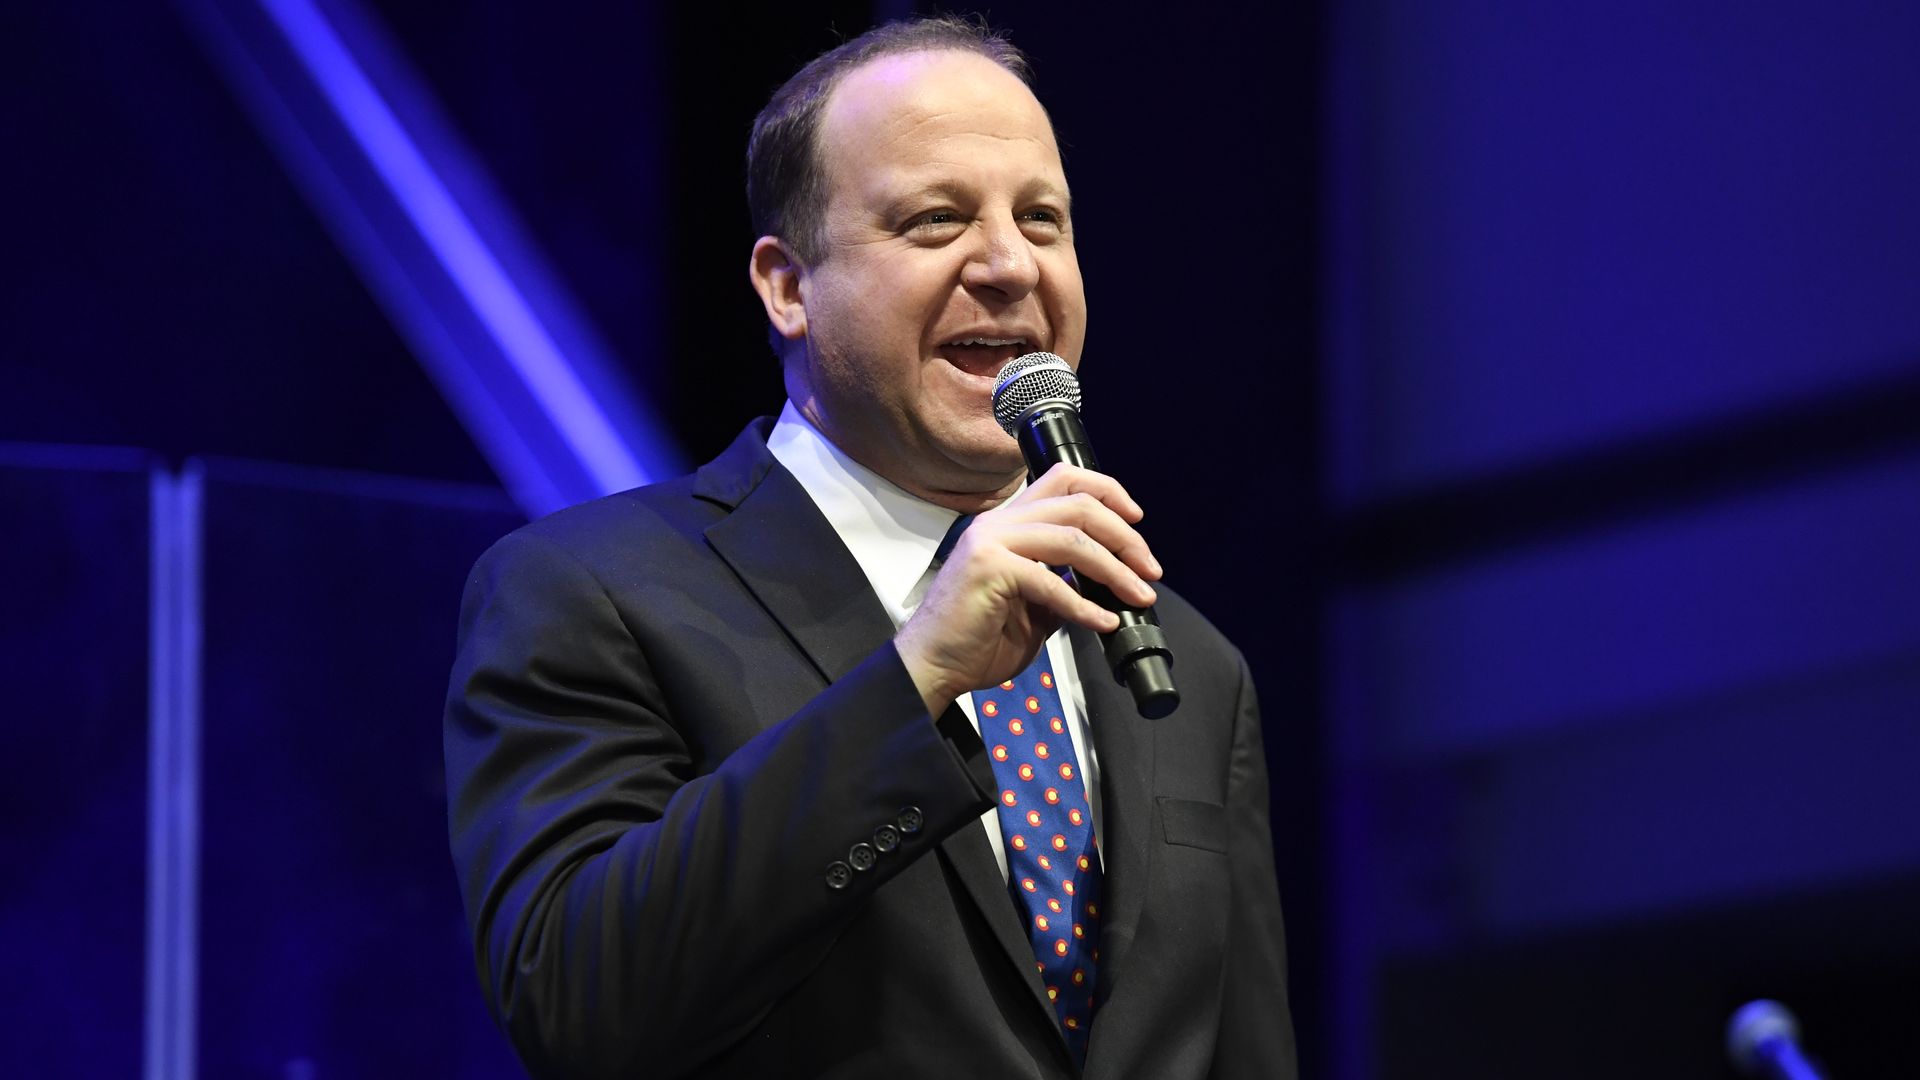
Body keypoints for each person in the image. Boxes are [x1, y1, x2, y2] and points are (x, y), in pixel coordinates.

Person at [445, 16, 1296, 1078]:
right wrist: (920, 673)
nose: (1008, 264)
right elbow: (575, 1000)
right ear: (787, 287)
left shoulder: (1192, 667)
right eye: (936, 221)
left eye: (1044, 219)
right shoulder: (590, 592)